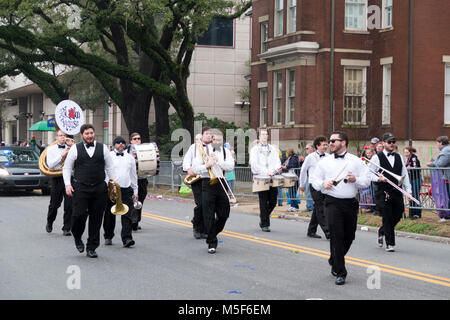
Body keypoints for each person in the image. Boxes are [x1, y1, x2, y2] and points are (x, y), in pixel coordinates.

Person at [310, 131, 371, 285]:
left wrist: (356, 179)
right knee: (336, 235)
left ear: (343, 142)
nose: (329, 143)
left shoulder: (356, 161)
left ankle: (334, 258)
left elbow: (367, 180)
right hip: (332, 202)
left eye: (333, 141)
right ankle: (340, 272)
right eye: (329, 141)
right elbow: (314, 179)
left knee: (349, 236)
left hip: (350, 203)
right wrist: (323, 184)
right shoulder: (324, 162)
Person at [63, 124, 114, 258]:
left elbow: (110, 168)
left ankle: (92, 247)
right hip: (81, 187)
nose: (90, 135)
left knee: (96, 218)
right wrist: (68, 185)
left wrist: (109, 183)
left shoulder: (103, 148)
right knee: (78, 215)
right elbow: (67, 168)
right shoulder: (75, 148)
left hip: (99, 188)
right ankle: (77, 236)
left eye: (91, 133)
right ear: (82, 135)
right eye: (87, 133)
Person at [192, 130, 234, 253]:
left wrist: (218, 162)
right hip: (207, 183)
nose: (217, 142)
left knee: (224, 214)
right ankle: (212, 242)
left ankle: (212, 233)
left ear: (222, 141)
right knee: (208, 214)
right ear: (211, 139)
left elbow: (230, 166)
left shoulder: (226, 152)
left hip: (221, 182)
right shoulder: (203, 151)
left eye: (219, 140)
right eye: (214, 140)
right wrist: (207, 165)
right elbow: (195, 168)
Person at [369, 133, 412, 252]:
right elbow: (368, 173)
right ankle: (390, 243)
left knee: (399, 213)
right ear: (382, 143)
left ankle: (382, 230)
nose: (392, 144)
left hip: (397, 191)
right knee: (387, 217)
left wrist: (409, 191)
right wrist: (378, 178)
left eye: (393, 141)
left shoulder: (399, 157)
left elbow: (404, 175)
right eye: (389, 142)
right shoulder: (376, 157)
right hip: (383, 192)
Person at [103, 136, 138, 248]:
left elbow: (133, 175)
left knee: (127, 213)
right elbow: (105, 173)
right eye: (118, 142)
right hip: (111, 189)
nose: (121, 144)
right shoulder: (108, 156)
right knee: (109, 214)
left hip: (126, 188)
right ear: (114, 145)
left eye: (123, 142)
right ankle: (108, 236)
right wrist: (108, 185)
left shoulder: (130, 158)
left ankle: (127, 238)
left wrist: (135, 190)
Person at [249, 129, 282, 232]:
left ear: (268, 136)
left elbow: (277, 162)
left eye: (266, 134)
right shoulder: (254, 149)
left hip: (272, 177)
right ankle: (265, 224)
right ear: (259, 137)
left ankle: (264, 216)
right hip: (261, 177)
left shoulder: (273, 148)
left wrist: (273, 171)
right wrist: (266, 171)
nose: (264, 136)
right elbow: (254, 164)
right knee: (263, 200)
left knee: (273, 201)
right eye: (262, 134)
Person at [300, 136, 330, 239]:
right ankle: (328, 232)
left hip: (324, 185)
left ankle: (311, 231)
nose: (325, 146)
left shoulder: (329, 156)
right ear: (317, 146)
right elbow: (303, 170)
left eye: (326, 144)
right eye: (323, 145)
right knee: (320, 207)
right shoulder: (310, 157)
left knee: (318, 208)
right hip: (314, 185)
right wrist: (302, 184)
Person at [45, 130, 74, 236]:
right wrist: (62, 155)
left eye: (64, 135)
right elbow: (51, 165)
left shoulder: (72, 149)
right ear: (56, 137)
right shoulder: (51, 149)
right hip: (57, 178)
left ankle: (67, 228)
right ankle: (50, 222)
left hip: (70, 177)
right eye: (60, 135)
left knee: (69, 205)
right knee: (54, 204)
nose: (63, 137)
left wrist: (71, 148)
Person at [183, 132, 210, 239]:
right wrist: (188, 169)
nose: (199, 141)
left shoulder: (210, 148)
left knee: (207, 204)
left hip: (208, 178)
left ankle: (205, 229)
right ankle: (197, 227)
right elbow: (186, 160)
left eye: (200, 139)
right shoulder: (193, 148)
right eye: (197, 139)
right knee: (200, 203)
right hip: (197, 179)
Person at [127, 132, 148, 231]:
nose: (137, 140)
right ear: (131, 141)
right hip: (131, 180)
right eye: (135, 139)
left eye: (139, 139)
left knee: (141, 199)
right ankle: (133, 220)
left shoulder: (145, 150)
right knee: (132, 200)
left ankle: (137, 220)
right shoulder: (127, 151)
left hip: (142, 179)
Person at [427, 136, 450, 221]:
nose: (437, 145)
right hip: (447, 177)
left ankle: (447, 216)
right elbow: (439, 161)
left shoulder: (446, 150)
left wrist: (431, 164)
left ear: (441, 143)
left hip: (448, 177)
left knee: (449, 196)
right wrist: (433, 162)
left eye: (437, 143)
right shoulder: (445, 150)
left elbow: (441, 163)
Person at [404, 146, 422, 219]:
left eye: (407, 152)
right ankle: (412, 213)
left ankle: (417, 213)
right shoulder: (408, 159)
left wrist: (409, 168)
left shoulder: (413, 158)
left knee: (415, 196)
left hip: (415, 179)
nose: (405, 153)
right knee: (411, 196)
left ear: (410, 152)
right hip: (410, 179)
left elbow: (415, 167)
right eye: (404, 152)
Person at [303, 143, 315, 212]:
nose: (306, 150)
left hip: (313, 177)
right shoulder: (308, 157)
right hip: (308, 176)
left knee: (311, 192)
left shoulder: (314, 156)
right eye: (305, 148)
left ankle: (311, 206)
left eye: (307, 148)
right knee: (308, 192)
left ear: (312, 148)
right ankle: (309, 206)